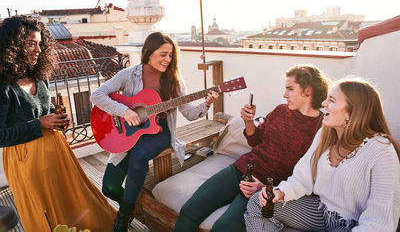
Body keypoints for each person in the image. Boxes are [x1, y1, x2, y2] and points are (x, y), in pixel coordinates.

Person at [173, 64, 330, 232]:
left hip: (263, 188)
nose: (284, 95)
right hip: (241, 170)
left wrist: (265, 188)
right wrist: (249, 122)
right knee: (189, 210)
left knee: (223, 228)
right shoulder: (280, 111)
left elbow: (309, 178)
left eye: (290, 89)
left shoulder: (322, 130)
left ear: (308, 90)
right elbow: (255, 140)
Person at [90, 31, 219, 232]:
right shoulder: (129, 74)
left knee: (139, 156)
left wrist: (207, 103)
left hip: (160, 132)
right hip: (130, 130)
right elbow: (97, 95)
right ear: (149, 53)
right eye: (163, 54)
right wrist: (124, 111)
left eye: (171, 55)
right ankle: (133, 205)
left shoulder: (175, 81)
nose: (168, 59)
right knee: (108, 187)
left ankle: (122, 221)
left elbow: (190, 114)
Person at [0, 16, 116, 232]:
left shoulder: (40, 76)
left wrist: (57, 118)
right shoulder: (3, 87)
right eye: (31, 43)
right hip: (25, 160)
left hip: (57, 151)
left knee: (75, 199)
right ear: (13, 45)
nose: (38, 49)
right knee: (46, 212)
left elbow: (46, 110)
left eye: (40, 43)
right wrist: (40, 123)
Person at [245, 77, 400, 232]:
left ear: (351, 112)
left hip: (353, 224)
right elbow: (302, 178)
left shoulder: (382, 151)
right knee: (258, 203)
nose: (323, 104)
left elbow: (380, 222)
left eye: (331, 100)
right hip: (320, 211)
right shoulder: (324, 134)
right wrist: (280, 192)